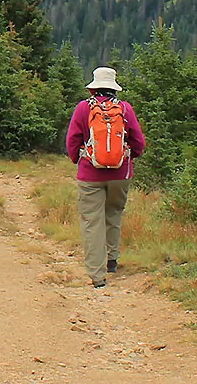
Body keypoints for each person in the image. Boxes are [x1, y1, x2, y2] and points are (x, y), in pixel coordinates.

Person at [65, 66, 146, 289]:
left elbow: (72, 140)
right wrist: (131, 157)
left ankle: (97, 275)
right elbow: (138, 141)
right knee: (114, 214)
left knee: (92, 221)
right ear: (114, 89)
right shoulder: (125, 109)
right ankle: (112, 260)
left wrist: (78, 160)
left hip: (90, 174)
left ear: (93, 88)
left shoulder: (83, 108)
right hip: (121, 174)